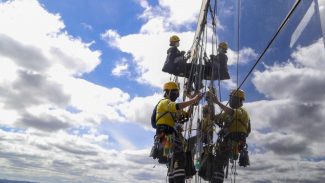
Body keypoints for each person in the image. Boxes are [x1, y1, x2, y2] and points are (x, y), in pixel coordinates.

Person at [156, 81, 203, 183]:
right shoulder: (164, 102)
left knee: (174, 162)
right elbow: (176, 106)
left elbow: (186, 116)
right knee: (179, 159)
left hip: (167, 136)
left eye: (177, 93)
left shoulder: (171, 107)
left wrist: (192, 103)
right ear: (167, 92)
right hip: (165, 135)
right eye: (174, 92)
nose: (176, 95)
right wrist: (193, 99)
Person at [207, 89, 250, 183]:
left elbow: (232, 112)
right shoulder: (226, 114)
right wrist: (211, 104)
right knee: (217, 164)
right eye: (230, 98)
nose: (230, 100)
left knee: (218, 163)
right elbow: (213, 118)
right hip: (227, 142)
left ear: (239, 100)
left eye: (232, 98)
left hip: (235, 141)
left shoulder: (243, 112)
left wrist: (217, 102)